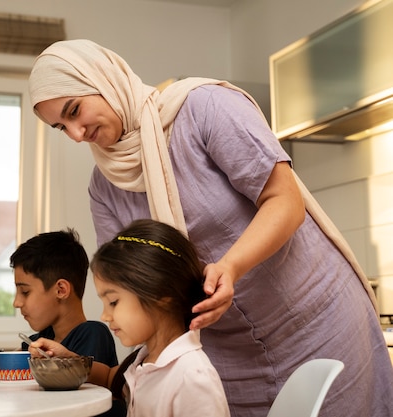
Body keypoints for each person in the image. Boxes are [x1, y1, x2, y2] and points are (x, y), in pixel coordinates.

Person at [27, 39, 393, 417]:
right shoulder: (104, 186)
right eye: (60, 127)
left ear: (103, 79)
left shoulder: (204, 107)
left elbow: (285, 200)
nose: (75, 133)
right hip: (224, 356)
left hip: (317, 322)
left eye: (74, 111)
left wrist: (230, 266)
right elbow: (131, 288)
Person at [29, 219, 230, 417]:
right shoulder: (143, 359)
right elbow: (110, 378)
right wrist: (68, 359)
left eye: (114, 302)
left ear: (161, 295)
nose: (104, 316)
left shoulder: (193, 379)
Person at [0, 228, 118, 367]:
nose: (16, 302)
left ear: (60, 290)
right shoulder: (39, 339)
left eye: (25, 292)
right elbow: (0, 366)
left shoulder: (93, 334)